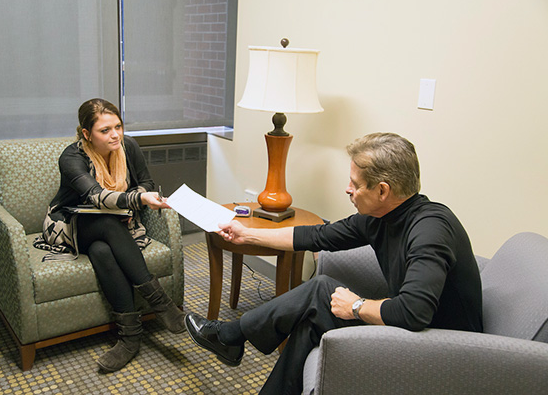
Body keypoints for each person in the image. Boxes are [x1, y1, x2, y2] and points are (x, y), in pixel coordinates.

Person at [185, 132, 483, 394]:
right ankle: (235, 342)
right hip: (412, 332)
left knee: (321, 291)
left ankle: (231, 336)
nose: (347, 189)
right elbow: (317, 235)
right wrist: (248, 235)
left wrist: (357, 306)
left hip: (445, 350)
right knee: (312, 317)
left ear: (382, 190)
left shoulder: (430, 229)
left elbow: (414, 311)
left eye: (355, 183)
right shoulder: (382, 217)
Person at [34, 98, 186, 373]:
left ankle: (130, 337)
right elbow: (96, 197)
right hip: (70, 222)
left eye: (118, 126)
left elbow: (146, 182)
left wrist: (141, 195)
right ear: (86, 134)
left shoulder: (128, 146)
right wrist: (138, 200)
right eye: (105, 130)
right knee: (105, 221)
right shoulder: (72, 157)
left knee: (103, 250)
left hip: (114, 223)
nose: (115, 134)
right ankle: (161, 304)